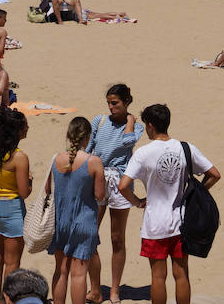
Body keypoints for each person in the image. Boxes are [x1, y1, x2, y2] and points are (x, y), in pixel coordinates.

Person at [119, 104, 220, 304]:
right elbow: (214, 174)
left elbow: (123, 186)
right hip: (181, 220)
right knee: (181, 273)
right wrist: (196, 193)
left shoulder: (143, 153)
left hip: (155, 223)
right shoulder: (185, 148)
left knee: (158, 277)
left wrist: (138, 202)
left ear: (150, 126)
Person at [86, 84, 140, 304]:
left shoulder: (136, 126)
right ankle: (96, 289)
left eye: (115, 103)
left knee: (117, 238)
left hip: (120, 181)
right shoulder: (98, 121)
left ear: (126, 102)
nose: (110, 107)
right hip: (98, 178)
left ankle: (115, 289)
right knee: (90, 236)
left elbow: (128, 142)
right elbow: (88, 149)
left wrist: (130, 120)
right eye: (108, 102)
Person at [45, 116, 105, 304]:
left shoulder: (56, 160)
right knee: (79, 275)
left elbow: (48, 190)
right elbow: (100, 195)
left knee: (61, 270)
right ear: (87, 137)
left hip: (61, 221)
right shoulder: (94, 162)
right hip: (84, 221)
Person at [0, 107, 33, 304]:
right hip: (11, 208)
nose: (28, 128)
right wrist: (31, 181)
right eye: (25, 126)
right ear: (17, 131)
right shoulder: (19, 157)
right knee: (12, 263)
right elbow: (24, 192)